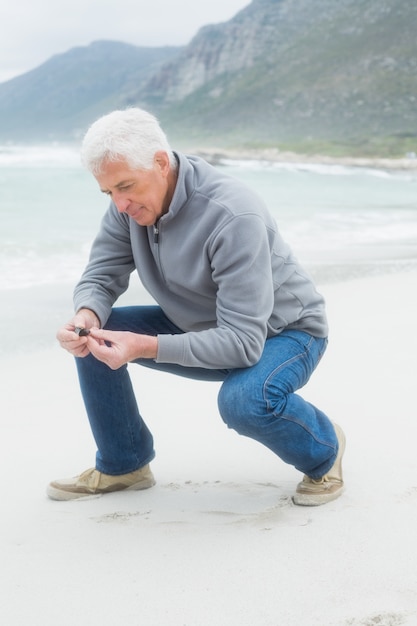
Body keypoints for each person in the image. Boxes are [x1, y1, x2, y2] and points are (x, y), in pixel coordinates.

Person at [48, 107, 345, 506]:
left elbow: (242, 345)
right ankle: (125, 465)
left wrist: (145, 346)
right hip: (197, 322)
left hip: (284, 333)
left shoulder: (233, 214)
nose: (120, 203)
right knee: (96, 336)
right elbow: (102, 274)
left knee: (243, 403)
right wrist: (87, 315)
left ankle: (324, 447)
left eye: (126, 186)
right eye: (108, 192)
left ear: (160, 161)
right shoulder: (130, 206)